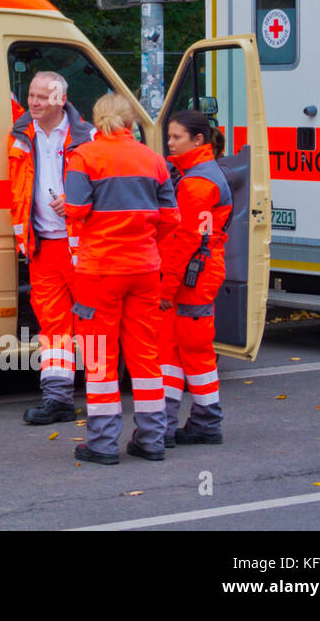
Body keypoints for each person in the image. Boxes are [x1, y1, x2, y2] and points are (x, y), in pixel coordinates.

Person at [65, 92, 180, 464]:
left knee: (100, 356)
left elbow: (76, 210)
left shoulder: (85, 157)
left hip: (100, 271)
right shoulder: (154, 160)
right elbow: (171, 219)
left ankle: (102, 443)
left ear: (97, 121)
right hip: (145, 268)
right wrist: (145, 243)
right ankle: (151, 439)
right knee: (145, 354)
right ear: (131, 122)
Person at [8, 71, 96, 424]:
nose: (34, 102)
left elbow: (106, 188)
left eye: (42, 97)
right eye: (31, 95)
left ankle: (101, 396)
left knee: (91, 323)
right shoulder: (20, 135)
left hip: (81, 245)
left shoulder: (87, 136)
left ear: (62, 99)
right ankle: (57, 399)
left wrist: (76, 203)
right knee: (53, 326)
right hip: (43, 245)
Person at [159, 110, 231, 447]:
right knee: (181, 350)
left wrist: (165, 289)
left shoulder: (197, 183)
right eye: (170, 136)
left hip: (192, 278)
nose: (169, 143)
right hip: (199, 275)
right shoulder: (197, 175)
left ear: (198, 140)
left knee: (190, 352)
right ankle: (183, 421)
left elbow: (185, 242)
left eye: (176, 137)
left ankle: (199, 423)